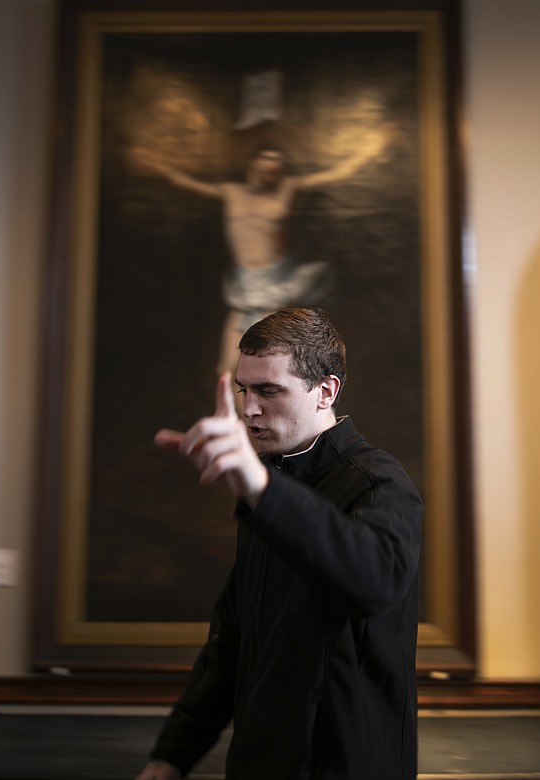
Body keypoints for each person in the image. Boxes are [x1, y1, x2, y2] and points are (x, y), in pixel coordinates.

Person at [137, 307, 423, 780]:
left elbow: (373, 581)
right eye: (243, 389)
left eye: (269, 390)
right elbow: (233, 644)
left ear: (325, 391)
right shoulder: (267, 482)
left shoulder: (379, 482)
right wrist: (169, 759)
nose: (250, 408)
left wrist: (259, 488)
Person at [130, 131, 390, 375]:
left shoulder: (287, 187)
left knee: (262, 361)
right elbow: (183, 181)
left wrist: (371, 148)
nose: (271, 171)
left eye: (276, 166)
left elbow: (336, 174)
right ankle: (239, 423)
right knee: (227, 368)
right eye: (266, 164)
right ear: (253, 165)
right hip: (245, 282)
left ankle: (261, 419)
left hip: (275, 282)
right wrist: (153, 161)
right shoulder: (231, 192)